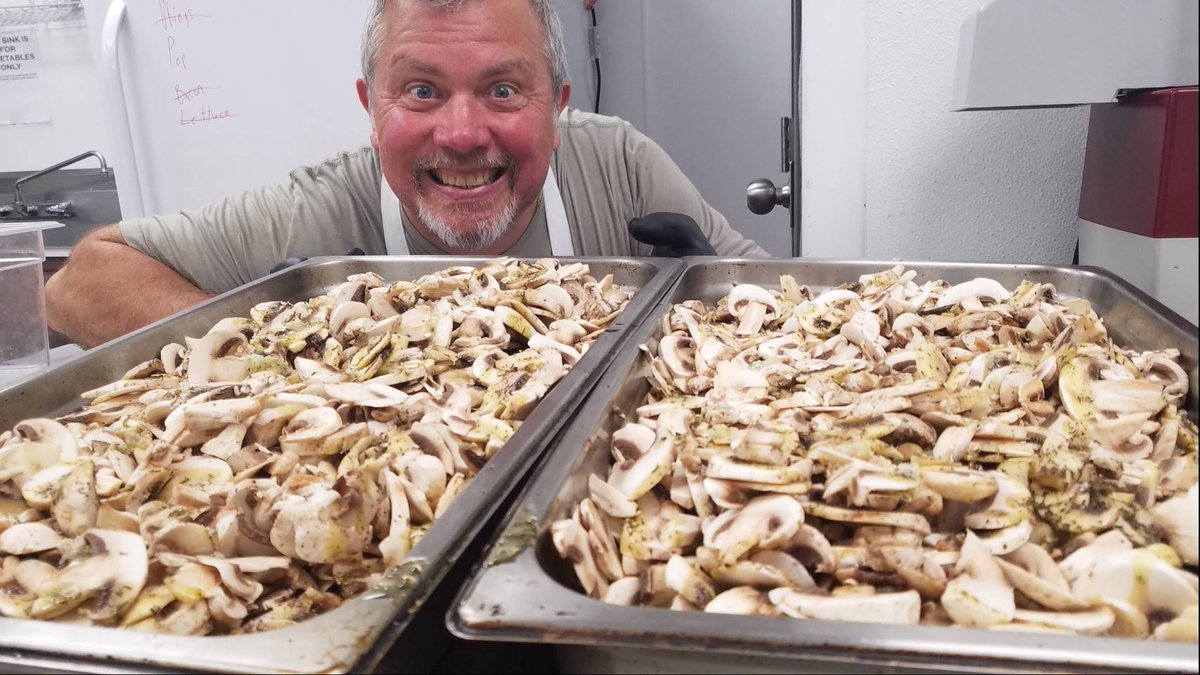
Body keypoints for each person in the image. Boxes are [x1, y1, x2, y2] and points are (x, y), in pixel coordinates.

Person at [45, 0, 767, 348]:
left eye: (504, 90)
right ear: (370, 106)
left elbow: (788, 304)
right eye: (421, 91)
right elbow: (79, 282)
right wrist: (265, 348)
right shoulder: (325, 205)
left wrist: (718, 310)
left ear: (559, 106)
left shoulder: (620, 166)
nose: (460, 134)